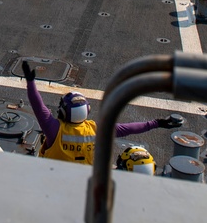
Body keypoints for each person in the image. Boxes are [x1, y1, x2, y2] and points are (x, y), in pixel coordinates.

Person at [22, 60, 182, 165]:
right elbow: (129, 128)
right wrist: (157, 123)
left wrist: (30, 82)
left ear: (64, 112)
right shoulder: (95, 130)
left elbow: (38, 107)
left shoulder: (55, 130)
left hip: (52, 180)